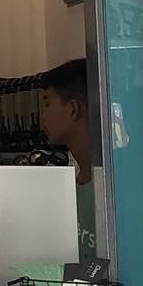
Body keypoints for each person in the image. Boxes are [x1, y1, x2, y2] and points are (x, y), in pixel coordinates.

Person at [36, 57, 102, 261]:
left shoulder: (111, 190)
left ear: (73, 109)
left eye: (47, 104)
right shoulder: (73, 184)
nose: (43, 116)